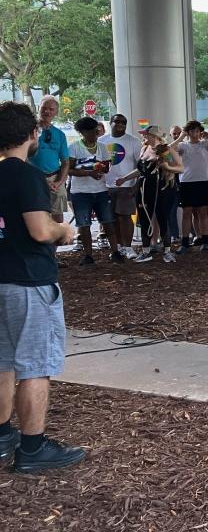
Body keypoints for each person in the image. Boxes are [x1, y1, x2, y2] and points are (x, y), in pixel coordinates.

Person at [0, 101, 86, 473]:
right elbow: (39, 230)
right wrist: (63, 230)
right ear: (32, 134)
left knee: (2, 363)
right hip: (29, 281)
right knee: (35, 365)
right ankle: (32, 449)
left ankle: (3, 436)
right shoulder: (26, 176)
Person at [115, 126, 184, 263]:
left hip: (161, 188)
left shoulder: (165, 150)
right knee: (144, 218)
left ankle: (167, 251)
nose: (144, 137)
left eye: (146, 135)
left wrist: (167, 167)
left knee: (162, 217)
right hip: (144, 188)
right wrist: (125, 178)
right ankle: (146, 250)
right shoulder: (144, 149)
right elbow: (141, 170)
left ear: (154, 136)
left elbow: (180, 167)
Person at [67, 117, 122, 264]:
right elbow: (69, 170)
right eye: (90, 131)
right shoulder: (74, 148)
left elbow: (107, 165)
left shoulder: (102, 147)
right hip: (80, 192)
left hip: (101, 190)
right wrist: (89, 172)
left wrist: (101, 170)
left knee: (108, 221)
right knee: (84, 224)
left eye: (95, 131)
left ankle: (115, 252)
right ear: (82, 132)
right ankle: (88, 255)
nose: (94, 134)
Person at [171, 120, 208, 252]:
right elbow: (169, 148)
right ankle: (185, 242)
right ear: (188, 132)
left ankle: (205, 240)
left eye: (197, 131)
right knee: (187, 213)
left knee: (202, 212)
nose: (195, 133)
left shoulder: (205, 144)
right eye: (192, 131)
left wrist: (206, 133)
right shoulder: (183, 145)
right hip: (186, 182)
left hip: (202, 182)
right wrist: (181, 136)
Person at [99, 114, 141, 259]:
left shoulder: (133, 141)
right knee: (111, 219)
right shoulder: (102, 141)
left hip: (126, 186)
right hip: (105, 186)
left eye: (124, 122)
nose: (121, 124)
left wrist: (136, 185)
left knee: (125, 217)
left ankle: (128, 247)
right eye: (117, 121)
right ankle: (117, 248)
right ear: (110, 123)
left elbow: (141, 166)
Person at [27, 96, 70, 225]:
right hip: (33, 178)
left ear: (56, 112)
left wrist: (58, 182)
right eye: (44, 108)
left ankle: (53, 246)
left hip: (55, 179)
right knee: (36, 217)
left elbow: (65, 162)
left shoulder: (60, 134)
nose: (47, 111)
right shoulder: (29, 131)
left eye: (51, 109)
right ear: (39, 108)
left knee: (58, 220)